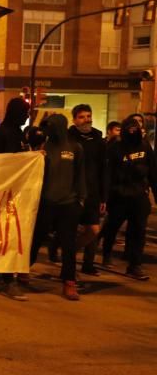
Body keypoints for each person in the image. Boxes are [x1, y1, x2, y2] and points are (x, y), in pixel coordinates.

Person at [30, 115, 87, 301]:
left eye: (51, 127)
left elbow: (80, 174)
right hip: (46, 202)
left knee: (68, 245)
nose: (48, 131)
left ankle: (69, 282)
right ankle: (22, 270)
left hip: (68, 204)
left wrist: (81, 199)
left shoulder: (75, 148)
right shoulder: (44, 148)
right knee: (37, 238)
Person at [0, 97, 32, 300]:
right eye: (25, 112)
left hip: (16, 195)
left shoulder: (19, 134)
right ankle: (8, 279)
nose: (27, 116)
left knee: (10, 236)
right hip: (1, 195)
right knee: (5, 236)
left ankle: (2, 273)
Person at [101, 117, 157, 281]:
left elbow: (153, 172)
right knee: (112, 227)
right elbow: (108, 174)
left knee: (138, 231)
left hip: (139, 196)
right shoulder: (115, 148)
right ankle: (107, 253)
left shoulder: (145, 147)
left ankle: (135, 264)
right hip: (119, 196)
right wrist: (105, 197)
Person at [66, 105, 108, 276]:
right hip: (73, 193)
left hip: (93, 192)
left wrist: (104, 196)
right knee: (70, 229)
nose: (86, 119)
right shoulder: (69, 139)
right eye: (82, 117)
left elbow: (104, 169)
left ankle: (80, 259)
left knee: (93, 230)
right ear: (75, 120)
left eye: (88, 116)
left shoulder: (98, 139)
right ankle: (69, 266)